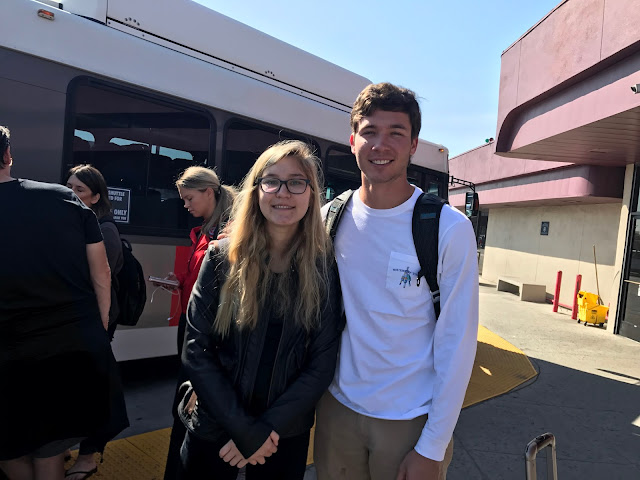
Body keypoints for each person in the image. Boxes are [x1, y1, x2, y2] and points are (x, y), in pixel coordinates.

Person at [313, 83, 479, 480]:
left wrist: (433, 446)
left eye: (396, 133)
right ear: (352, 140)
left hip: (409, 419)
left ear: (413, 145)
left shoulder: (448, 228)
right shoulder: (329, 218)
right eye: (369, 131)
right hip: (337, 410)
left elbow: (458, 343)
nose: (380, 144)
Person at [177, 140, 342, 480]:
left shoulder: (323, 268)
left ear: (312, 194)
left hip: (282, 434)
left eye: (297, 182)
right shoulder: (220, 258)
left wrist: (263, 430)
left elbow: (321, 362)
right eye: (272, 181)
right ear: (255, 191)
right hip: (215, 426)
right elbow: (196, 350)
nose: (283, 193)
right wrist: (244, 430)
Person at [0, 126, 115, 480]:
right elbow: (101, 273)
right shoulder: (61, 198)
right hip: (58, 346)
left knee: (8, 446)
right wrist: (98, 330)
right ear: (8, 156)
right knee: (48, 446)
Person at [160, 166, 236, 480]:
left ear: (209, 192)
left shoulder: (228, 232)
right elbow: (200, 278)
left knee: (196, 407)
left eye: (189, 198)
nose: (185, 205)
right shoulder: (207, 230)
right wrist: (179, 281)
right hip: (193, 324)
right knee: (184, 405)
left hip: (209, 332)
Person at [63, 165, 130, 480]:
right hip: (74, 317)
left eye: (79, 189)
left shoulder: (105, 229)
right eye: (68, 187)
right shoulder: (72, 221)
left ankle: (89, 454)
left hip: (94, 318)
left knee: (91, 388)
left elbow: (100, 276)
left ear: (96, 197)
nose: (71, 193)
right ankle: (63, 443)